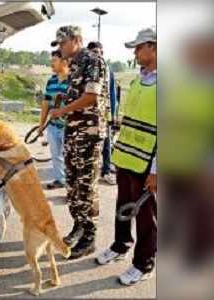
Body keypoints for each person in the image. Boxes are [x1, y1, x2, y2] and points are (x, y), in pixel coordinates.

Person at [96, 28, 157, 286]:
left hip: (147, 164)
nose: (134, 52)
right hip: (126, 158)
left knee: (146, 217)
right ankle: (121, 245)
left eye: (139, 47)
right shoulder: (136, 80)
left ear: (154, 47)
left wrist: (157, 170)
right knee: (123, 206)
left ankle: (144, 263)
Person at [49, 25, 108, 259]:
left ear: (76, 40)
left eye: (62, 43)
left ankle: (89, 237)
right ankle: (78, 226)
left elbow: (91, 96)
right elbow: (78, 94)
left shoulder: (93, 60)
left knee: (86, 186)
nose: (60, 48)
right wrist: (65, 102)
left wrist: (63, 110)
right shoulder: (73, 64)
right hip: (73, 133)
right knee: (72, 185)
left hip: (88, 134)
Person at [87, 41, 117, 186]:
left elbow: (112, 94)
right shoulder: (85, 70)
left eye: (100, 52)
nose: (98, 55)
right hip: (89, 116)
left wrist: (114, 114)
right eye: (94, 52)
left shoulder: (108, 71)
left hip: (105, 114)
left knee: (107, 143)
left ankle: (106, 171)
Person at [38, 50, 70, 189]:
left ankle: (71, 185)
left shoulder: (73, 81)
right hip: (53, 126)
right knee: (55, 154)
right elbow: (45, 103)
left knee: (69, 157)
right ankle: (60, 179)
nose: (51, 63)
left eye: (54, 60)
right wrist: (41, 124)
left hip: (68, 126)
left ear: (64, 62)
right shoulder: (51, 81)